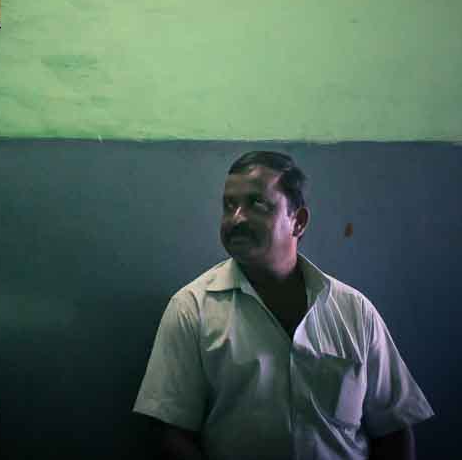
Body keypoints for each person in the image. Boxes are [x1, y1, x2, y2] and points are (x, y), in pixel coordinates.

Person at [134, 151, 433, 460]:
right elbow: (170, 433)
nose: (236, 218)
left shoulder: (355, 311)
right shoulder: (191, 309)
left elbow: (394, 428)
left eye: (257, 204)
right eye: (229, 205)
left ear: (298, 222)